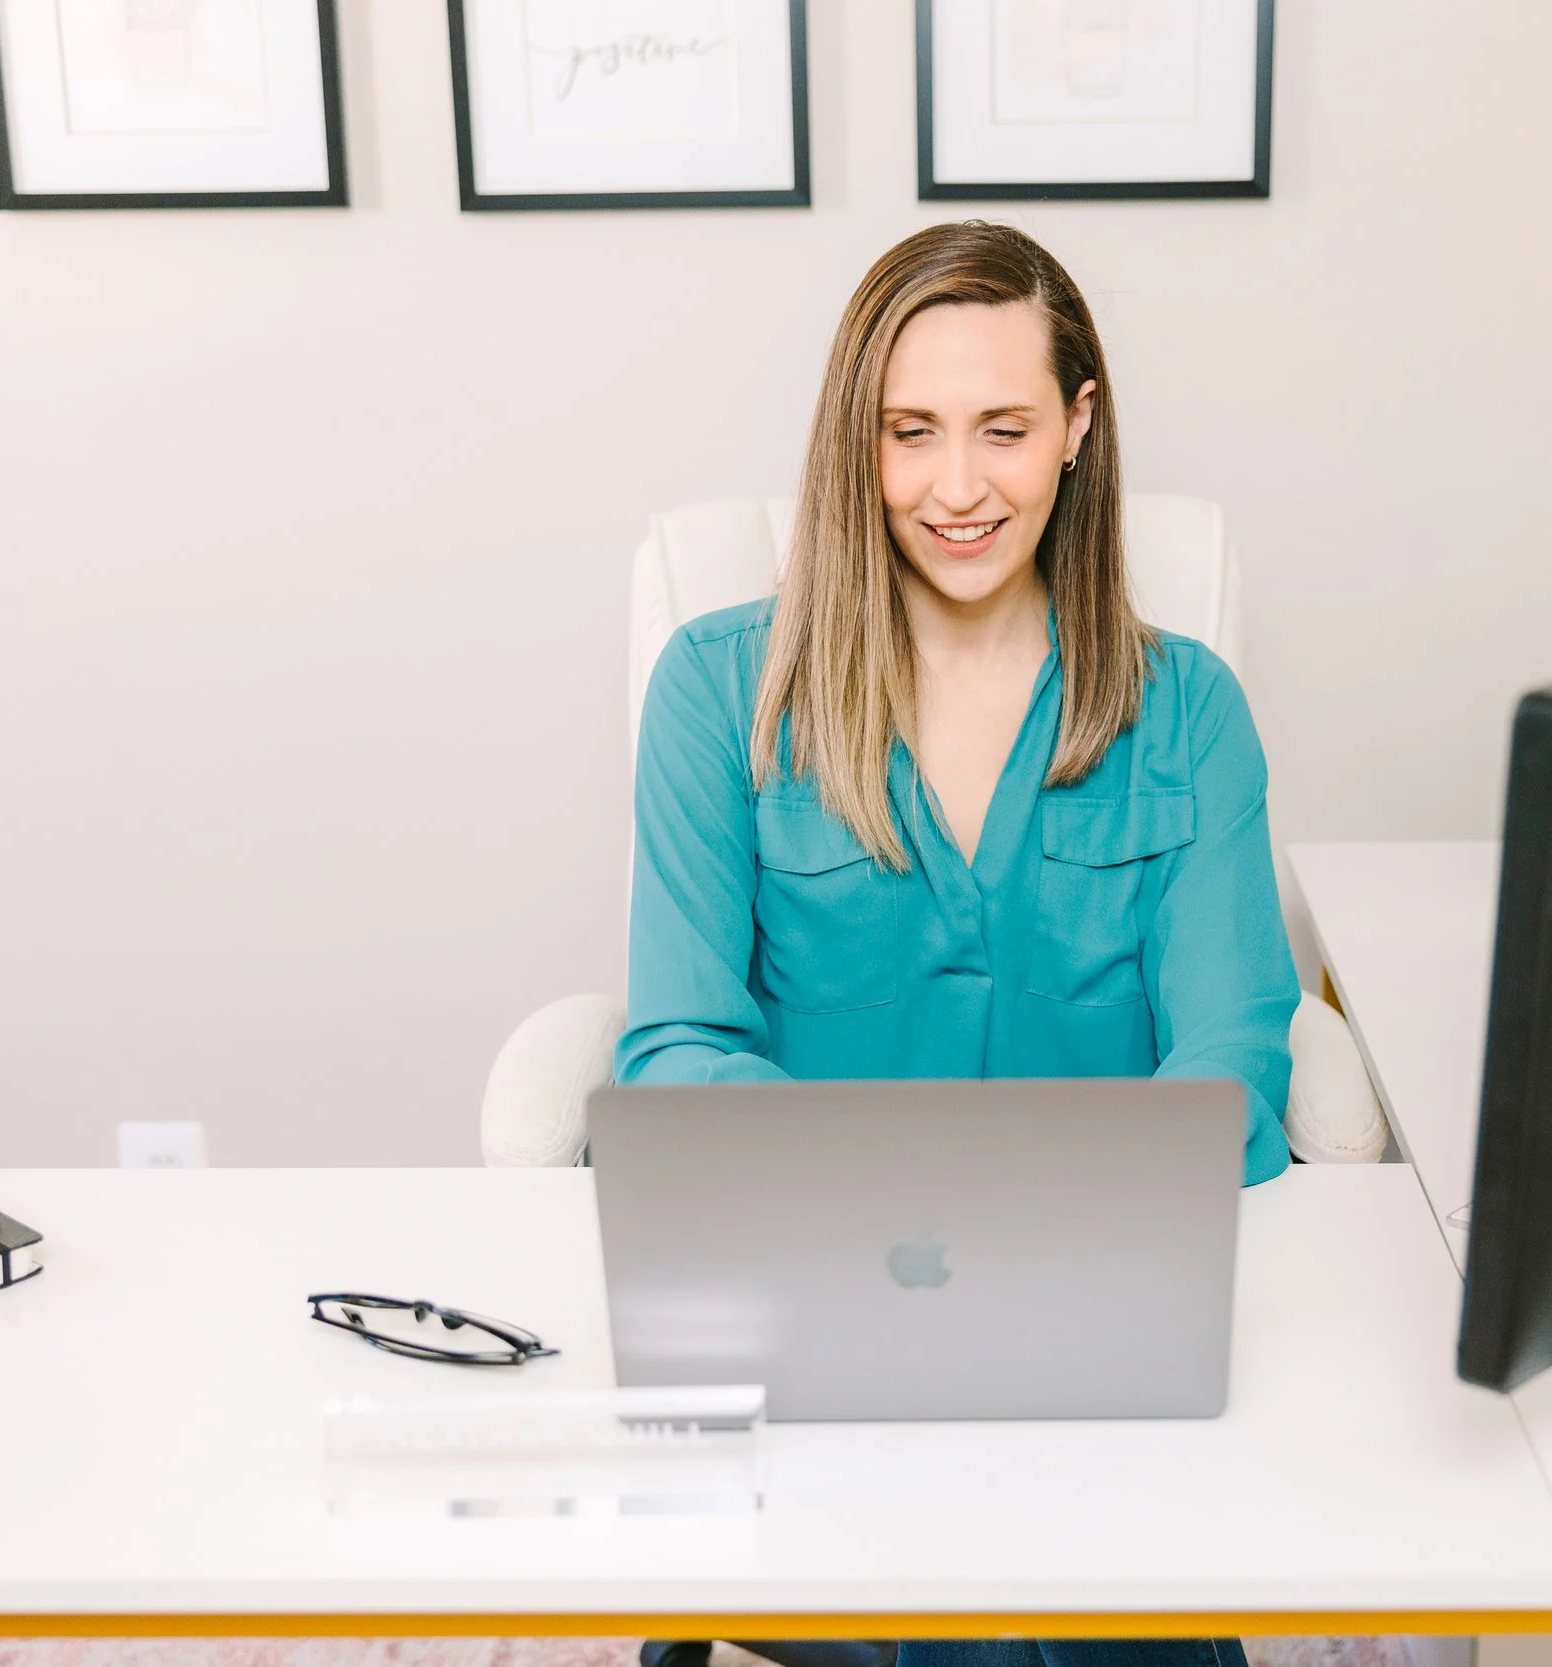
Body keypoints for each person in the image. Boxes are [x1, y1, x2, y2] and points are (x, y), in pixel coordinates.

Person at [617, 220, 1284, 1667]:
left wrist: (1050, 1238)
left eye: (1003, 428)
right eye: (909, 432)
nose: (957, 486)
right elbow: (674, 1048)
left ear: (1079, 429)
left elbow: (1236, 1063)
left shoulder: (1192, 712)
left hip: (1103, 1339)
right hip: (818, 1342)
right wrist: (903, 1214)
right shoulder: (716, 688)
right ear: (854, 445)